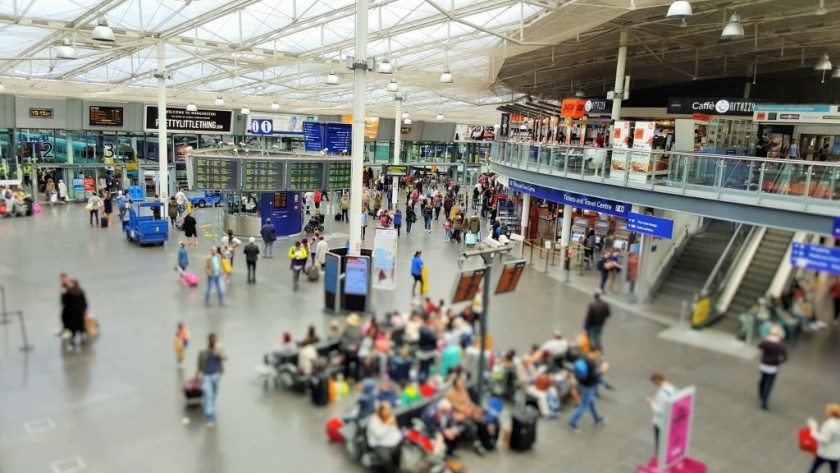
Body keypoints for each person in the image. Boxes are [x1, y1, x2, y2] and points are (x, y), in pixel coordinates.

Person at [569, 349, 606, 431]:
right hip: (588, 387)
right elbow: (594, 377)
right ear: (593, 353)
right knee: (583, 406)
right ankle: (572, 422)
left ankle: (597, 418)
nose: (598, 355)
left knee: (592, 402)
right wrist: (602, 371)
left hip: (583, 385)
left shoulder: (582, 359)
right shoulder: (592, 364)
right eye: (597, 353)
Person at [197, 333, 226, 428]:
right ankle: (209, 417)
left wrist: (218, 354)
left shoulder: (218, 349)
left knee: (213, 394)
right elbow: (199, 363)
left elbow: (225, 357)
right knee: (208, 395)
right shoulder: (204, 351)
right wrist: (198, 374)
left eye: (215, 339)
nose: (214, 341)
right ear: (209, 340)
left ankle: (212, 407)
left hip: (216, 375)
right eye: (212, 339)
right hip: (206, 376)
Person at [758, 325, 787, 410]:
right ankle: (765, 400)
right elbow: (785, 357)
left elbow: (759, 346)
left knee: (762, 380)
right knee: (769, 383)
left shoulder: (766, 342)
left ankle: (761, 394)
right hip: (773, 367)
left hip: (763, 364)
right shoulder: (780, 345)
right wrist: (778, 362)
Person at [367, 402, 402, 473]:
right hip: (379, 444)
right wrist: (387, 425)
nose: (388, 412)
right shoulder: (374, 420)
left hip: (391, 441)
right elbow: (378, 434)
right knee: (387, 458)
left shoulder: (390, 417)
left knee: (400, 450)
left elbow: (395, 430)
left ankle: (398, 468)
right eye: (385, 410)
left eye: (388, 410)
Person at [647, 372, 676, 455]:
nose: (654, 385)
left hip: (661, 422)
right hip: (671, 419)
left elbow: (658, 410)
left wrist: (651, 402)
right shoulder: (671, 387)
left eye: (654, 383)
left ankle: (658, 457)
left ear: (657, 381)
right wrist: (657, 397)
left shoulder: (662, 394)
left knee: (659, 442)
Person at [807, 403, 840, 473]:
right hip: (836, 453)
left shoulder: (829, 424)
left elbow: (825, 439)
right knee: (834, 470)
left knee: (814, 468)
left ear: (831, 413)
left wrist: (813, 429)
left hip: (825, 452)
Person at [64, 279, 88, 351]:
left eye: (71, 283)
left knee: (77, 326)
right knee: (75, 326)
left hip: (76, 312)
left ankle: (77, 340)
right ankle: (76, 340)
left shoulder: (70, 292)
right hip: (75, 312)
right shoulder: (78, 291)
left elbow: (65, 302)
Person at [340, 313, 363, 381]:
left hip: (347, 352)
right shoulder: (358, 330)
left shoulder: (346, 329)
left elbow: (342, 340)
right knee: (358, 365)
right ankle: (357, 379)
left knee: (347, 365)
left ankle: (346, 378)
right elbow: (359, 342)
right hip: (356, 352)